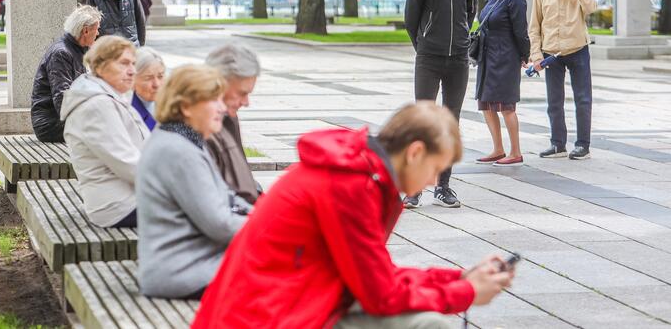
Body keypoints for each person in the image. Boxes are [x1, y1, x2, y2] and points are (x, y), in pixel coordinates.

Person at [192, 103, 515, 328]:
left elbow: (376, 276)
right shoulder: (352, 184)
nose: (433, 182)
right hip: (265, 317)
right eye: (436, 169)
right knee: (426, 325)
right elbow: (381, 296)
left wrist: (459, 278)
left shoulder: (358, 173)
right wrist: (467, 292)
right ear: (415, 152)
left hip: (275, 308)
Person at [137, 65, 253, 300]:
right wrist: (269, 227)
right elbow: (219, 224)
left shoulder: (184, 140)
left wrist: (265, 215)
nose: (222, 108)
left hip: (193, 264)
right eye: (214, 100)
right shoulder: (177, 151)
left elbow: (227, 198)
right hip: (186, 273)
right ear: (186, 106)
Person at [403, 0, 478, 208]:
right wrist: (424, 46)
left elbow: (470, 13)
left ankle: (444, 186)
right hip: (429, 59)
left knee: (450, 124)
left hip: (458, 58)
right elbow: (411, 19)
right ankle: (415, 188)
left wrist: (460, 42)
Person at [61, 36, 149, 228]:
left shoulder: (109, 97)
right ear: (100, 67)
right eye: (124, 63)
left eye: (133, 64)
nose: (132, 70)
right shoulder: (97, 105)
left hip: (132, 198)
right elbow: (128, 164)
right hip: (119, 206)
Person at [529, 0, 596, 160]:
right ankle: (558, 144)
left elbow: (592, 8)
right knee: (554, 102)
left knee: (583, 99)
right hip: (552, 54)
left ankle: (582, 145)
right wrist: (537, 56)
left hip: (578, 50)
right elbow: (534, 27)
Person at [474, 0, 530, 166]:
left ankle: (516, 151)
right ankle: (498, 148)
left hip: (506, 57)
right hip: (487, 57)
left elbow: (520, 30)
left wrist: (525, 55)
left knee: (507, 106)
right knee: (486, 104)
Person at [31, 5, 101, 143]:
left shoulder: (77, 50)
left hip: (62, 120)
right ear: (86, 30)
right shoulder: (61, 53)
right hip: (50, 124)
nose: (98, 33)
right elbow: (62, 100)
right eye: (97, 29)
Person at [205, 44, 261, 204]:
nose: (246, 102)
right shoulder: (196, 127)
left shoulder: (228, 118)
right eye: (242, 93)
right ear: (218, 83)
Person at [132, 47, 165, 131]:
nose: (156, 84)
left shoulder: (172, 105)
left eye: (160, 76)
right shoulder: (127, 112)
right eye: (148, 78)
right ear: (132, 79)